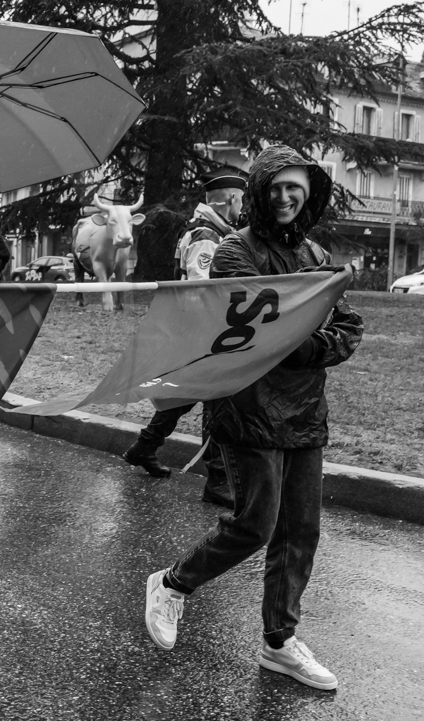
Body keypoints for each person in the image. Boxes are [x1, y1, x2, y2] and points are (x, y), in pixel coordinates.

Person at [143, 145, 363, 692]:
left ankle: (279, 643)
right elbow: (264, 334)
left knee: (300, 532)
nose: (286, 197)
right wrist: (309, 336)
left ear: (310, 191)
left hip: (305, 411)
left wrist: (311, 340)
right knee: (254, 525)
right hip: (247, 408)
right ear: (261, 191)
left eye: (297, 187)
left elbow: (348, 327)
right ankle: (171, 584)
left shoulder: (315, 253)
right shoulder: (232, 253)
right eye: (276, 187)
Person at [122, 166, 246, 509]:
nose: (243, 207)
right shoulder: (207, 235)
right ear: (232, 199)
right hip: (202, 332)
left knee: (186, 394)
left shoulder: (204, 229)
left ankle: (145, 447)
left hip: (192, 330)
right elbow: (200, 287)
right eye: (242, 200)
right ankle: (219, 480)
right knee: (218, 401)